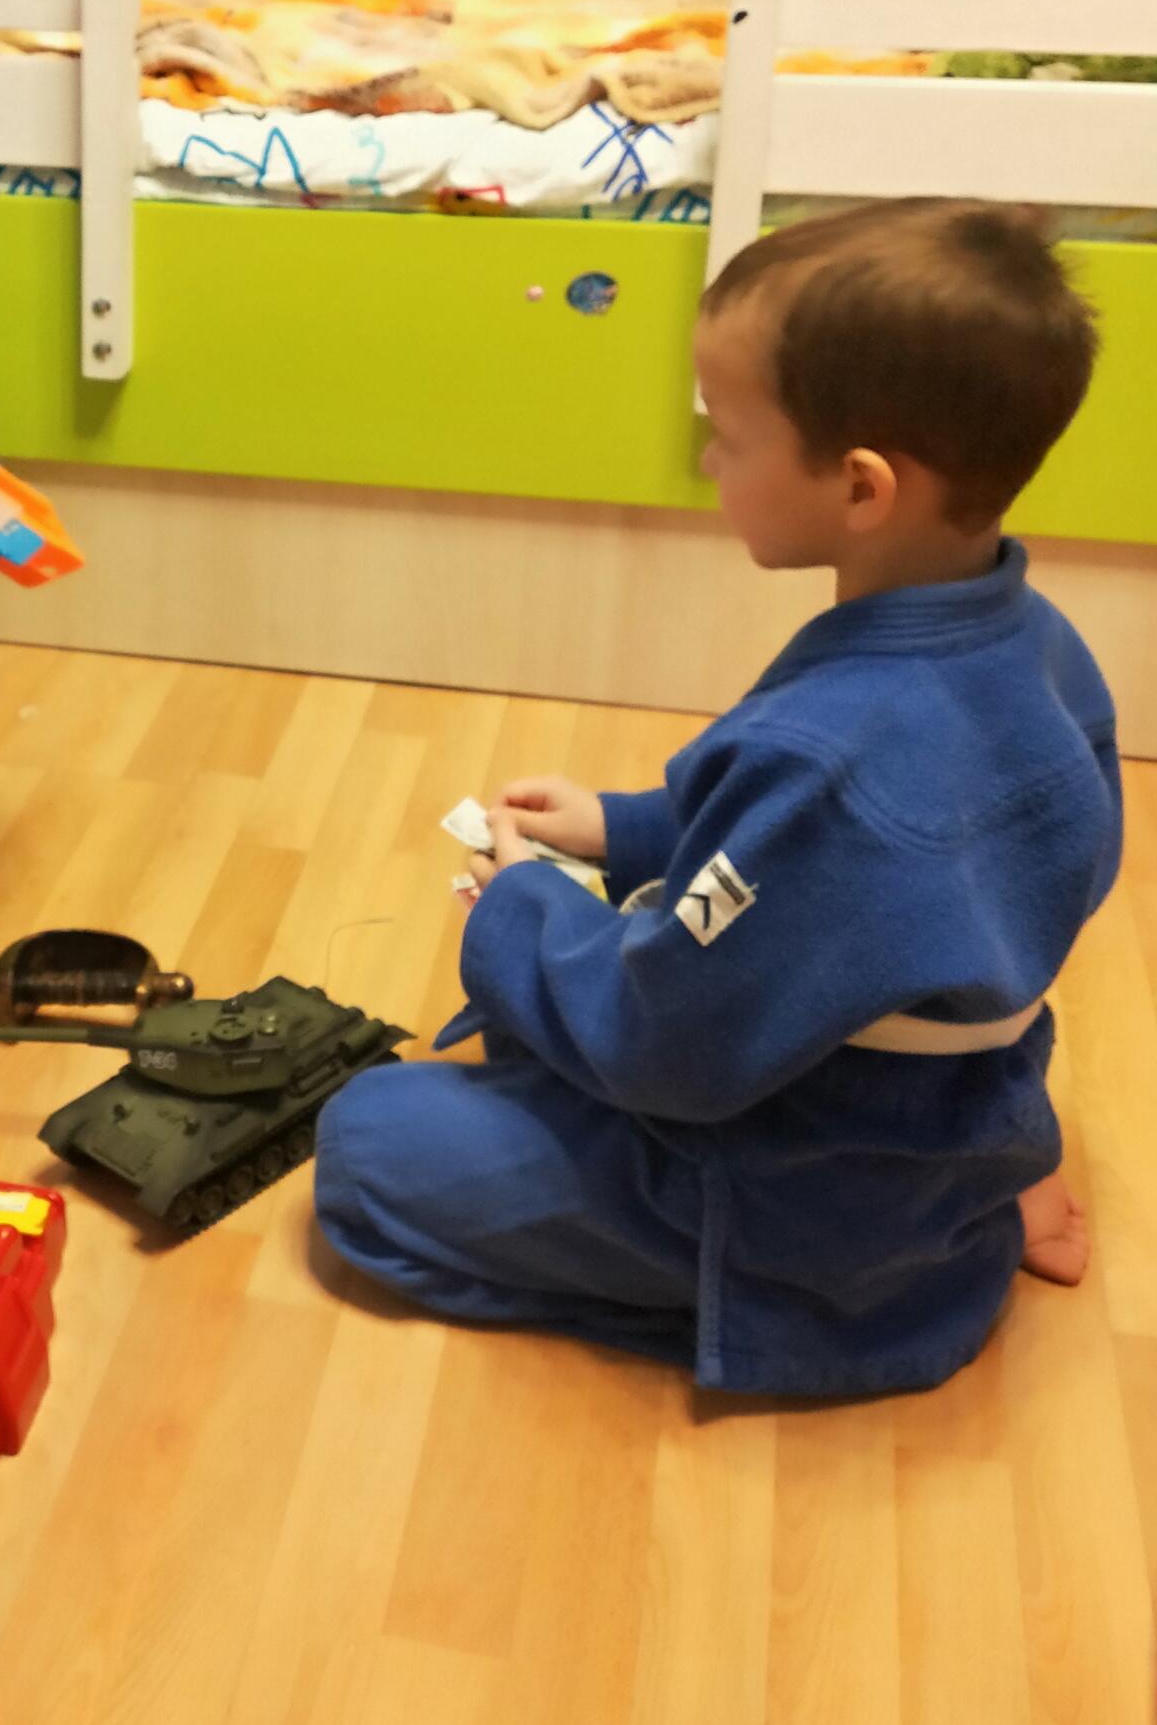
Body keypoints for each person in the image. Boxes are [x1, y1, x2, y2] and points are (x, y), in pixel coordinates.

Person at [315, 201, 1120, 1397]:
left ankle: (802, 1310)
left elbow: (668, 1046)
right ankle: (987, 1184)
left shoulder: (830, 757)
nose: (708, 463)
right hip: (952, 1102)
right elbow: (868, 877)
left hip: (804, 1186)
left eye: (729, 439)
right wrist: (627, 830)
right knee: (539, 1032)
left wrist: (524, 908)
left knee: (365, 1148)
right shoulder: (1041, 648)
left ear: (861, 489)